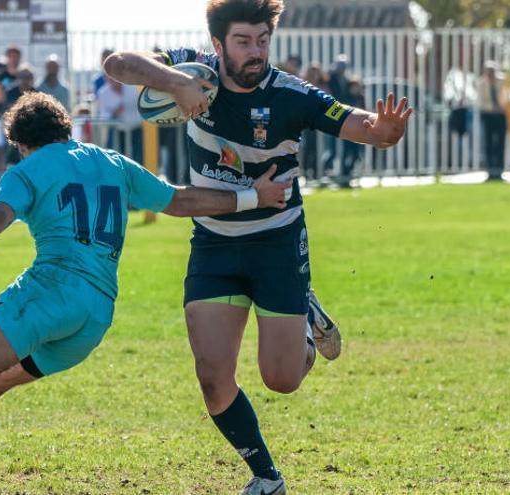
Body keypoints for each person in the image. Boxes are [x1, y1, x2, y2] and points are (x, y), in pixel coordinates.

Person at [0, 92, 290, 495]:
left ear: (21, 144)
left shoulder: (29, 168)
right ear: (66, 129)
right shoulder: (111, 161)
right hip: (94, 318)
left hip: (50, 294)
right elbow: (180, 201)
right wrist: (254, 196)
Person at [103, 0, 412, 492]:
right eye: (244, 42)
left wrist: (384, 132)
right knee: (212, 376)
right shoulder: (192, 68)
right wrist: (177, 84)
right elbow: (117, 64)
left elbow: (358, 123)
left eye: (262, 41)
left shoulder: (290, 94)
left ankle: (306, 321)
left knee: (282, 379)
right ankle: (266, 477)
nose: (255, 53)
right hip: (215, 243)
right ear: (219, 44)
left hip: (277, 242)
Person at [477, 61, 507, 181]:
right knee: (488, 144)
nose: (490, 74)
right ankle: (490, 172)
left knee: (500, 144)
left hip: (501, 116)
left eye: (492, 72)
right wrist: (493, 108)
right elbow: (481, 103)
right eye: (487, 72)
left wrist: (503, 106)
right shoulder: (481, 84)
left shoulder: (504, 81)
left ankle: (499, 172)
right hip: (488, 116)